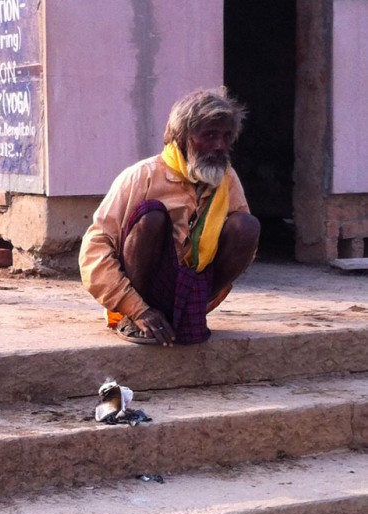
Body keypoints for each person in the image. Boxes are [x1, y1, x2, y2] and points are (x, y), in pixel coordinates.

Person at [79, 87, 260, 347]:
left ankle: (188, 312)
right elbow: (95, 248)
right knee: (151, 217)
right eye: (209, 135)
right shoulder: (143, 175)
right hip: (140, 292)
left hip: (193, 288)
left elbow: (242, 245)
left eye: (226, 136)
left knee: (247, 226)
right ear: (182, 138)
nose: (220, 145)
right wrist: (136, 307)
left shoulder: (226, 178)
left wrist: (195, 298)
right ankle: (137, 319)